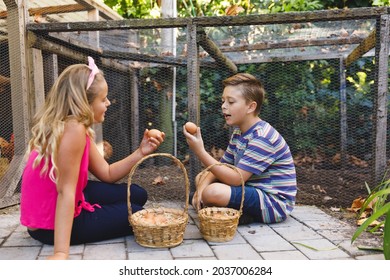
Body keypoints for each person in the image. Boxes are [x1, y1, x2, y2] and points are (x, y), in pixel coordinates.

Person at [20, 57, 164, 260]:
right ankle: (87, 219)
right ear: (84, 103)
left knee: (137, 194)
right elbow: (65, 192)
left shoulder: (76, 127)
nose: (108, 103)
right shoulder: (74, 130)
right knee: (136, 212)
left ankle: (96, 212)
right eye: (103, 99)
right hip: (48, 225)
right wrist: (61, 253)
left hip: (63, 203)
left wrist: (141, 152)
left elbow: (107, 173)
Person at [183, 73, 296, 224]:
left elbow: (236, 179)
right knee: (201, 178)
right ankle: (234, 211)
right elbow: (221, 167)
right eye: (223, 101)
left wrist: (200, 151)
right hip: (250, 189)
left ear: (251, 107)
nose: (224, 106)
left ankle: (240, 213)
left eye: (231, 102)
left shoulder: (262, 137)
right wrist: (201, 189)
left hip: (272, 203)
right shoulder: (239, 132)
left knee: (213, 191)